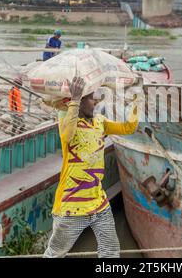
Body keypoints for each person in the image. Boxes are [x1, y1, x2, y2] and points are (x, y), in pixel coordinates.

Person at [43, 77, 139, 258]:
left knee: (110, 251)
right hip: (71, 207)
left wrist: (135, 101)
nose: (95, 101)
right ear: (77, 102)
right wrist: (75, 99)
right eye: (90, 98)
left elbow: (128, 128)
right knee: (55, 254)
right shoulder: (68, 123)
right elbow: (68, 134)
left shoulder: (99, 122)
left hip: (99, 203)